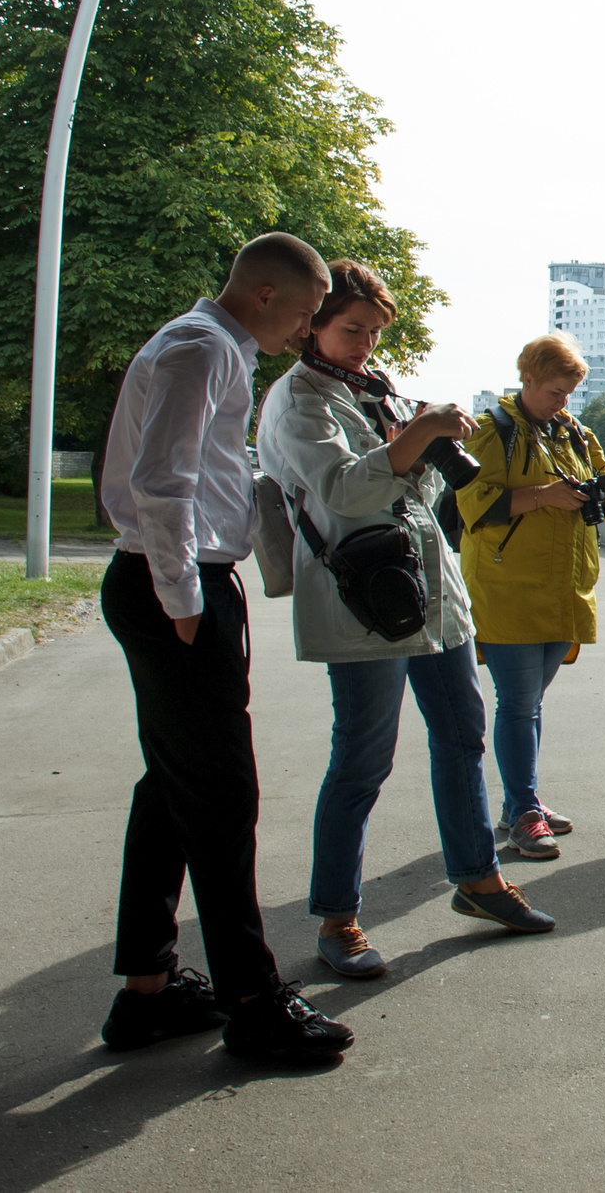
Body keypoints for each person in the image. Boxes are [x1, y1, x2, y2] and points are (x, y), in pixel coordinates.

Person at [96, 231, 354, 1063]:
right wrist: (183, 602)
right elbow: (160, 481)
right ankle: (252, 1000)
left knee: (173, 788)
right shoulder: (204, 347)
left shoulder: (212, 347)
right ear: (268, 293)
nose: (307, 328)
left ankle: (148, 987)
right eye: (309, 311)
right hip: (175, 585)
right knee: (219, 794)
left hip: (182, 581)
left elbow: (192, 472)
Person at [257, 260, 555, 977]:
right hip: (363, 600)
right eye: (351, 329)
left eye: (373, 331)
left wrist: (423, 437)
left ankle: (478, 881)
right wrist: (416, 434)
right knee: (362, 759)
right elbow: (342, 490)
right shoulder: (297, 399)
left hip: (430, 593)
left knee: (462, 735)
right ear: (314, 325)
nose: (364, 344)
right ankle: (338, 917)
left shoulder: (374, 384)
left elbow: (413, 485)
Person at [456, 334, 605, 860]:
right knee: (519, 703)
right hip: (509, 587)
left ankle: (519, 805)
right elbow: (472, 501)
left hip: (563, 584)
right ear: (526, 379)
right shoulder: (490, 432)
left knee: (530, 703)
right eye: (555, 390)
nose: (563, 401)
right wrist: (543, 495)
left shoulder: (573, 432)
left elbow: (597, 483)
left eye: (570, 392)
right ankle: (524, 810)